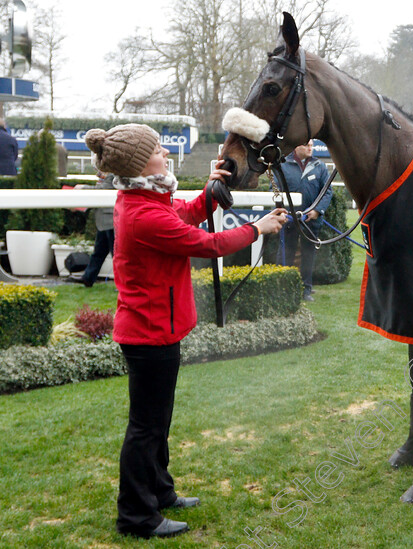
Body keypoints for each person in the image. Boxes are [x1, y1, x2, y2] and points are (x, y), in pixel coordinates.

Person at [84, 124, 288, 539]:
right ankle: (136, 516)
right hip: (149, 335)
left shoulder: (142, 198)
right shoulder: (143, 214)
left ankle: (160, 493)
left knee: (157, 424)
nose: (164, 151)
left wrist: (208, 192)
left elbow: (182, 215)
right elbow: (203, 243)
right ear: (143, 164)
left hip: (156, 330)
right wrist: (257, 229)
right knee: (145, 429)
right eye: (157, 149)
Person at [279, 139, 332, 302]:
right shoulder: (283, 166)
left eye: (311, 145)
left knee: (309, 255)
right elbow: (275, 190)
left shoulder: (320, 166)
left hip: (312, 221)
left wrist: (317, 210)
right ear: (296, 146)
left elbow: (327, 192)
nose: (310, 148)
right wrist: (281, 212)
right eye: (306, 145)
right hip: (289, 220)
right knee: (286, 254)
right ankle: (284, 288)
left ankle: (306, 289)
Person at [72, 171, 117, 287]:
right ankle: (88, 278)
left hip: (110, 220)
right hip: (104, 220)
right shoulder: (108, 174)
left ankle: (121, 283)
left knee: (115, 254)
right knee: (99, 252)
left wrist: (83, 188)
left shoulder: (113, 174)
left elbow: (102, 189)